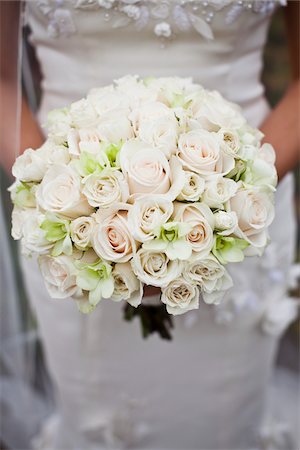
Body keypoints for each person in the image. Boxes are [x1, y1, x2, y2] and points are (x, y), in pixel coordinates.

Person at [1, 1, 299, 449]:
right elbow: (3, 82)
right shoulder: (70, 221)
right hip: (72, 229)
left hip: (240, 208)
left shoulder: (236, 200)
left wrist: (234, 196)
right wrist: (61, 202)